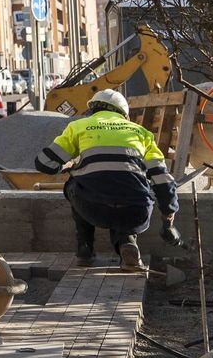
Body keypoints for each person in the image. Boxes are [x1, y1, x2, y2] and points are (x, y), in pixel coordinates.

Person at [35, 88, 181, 270]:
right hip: (136, 212)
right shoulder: (142, 133)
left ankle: (85, 249)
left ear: (92, 110)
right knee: (128, 187)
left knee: (75, 183)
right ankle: (127, 241)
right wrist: (168, 223)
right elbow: (163, 180)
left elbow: (44, 163)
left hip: (92, 208)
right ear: (124, 114)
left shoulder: (78, 126)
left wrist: (70, 166)